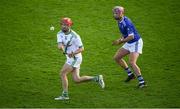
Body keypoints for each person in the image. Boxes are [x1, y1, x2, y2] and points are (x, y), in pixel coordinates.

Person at [55, 17, 105, 100]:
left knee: (62, 73)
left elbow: (82, 48)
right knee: (77, 79)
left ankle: (65, 95)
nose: (63, 26)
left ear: (70, 25)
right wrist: (63, 50)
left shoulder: (75, 36)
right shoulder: (59, 33)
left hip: (75, 58)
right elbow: (60, 45)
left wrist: (73, 53)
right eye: (62, 24)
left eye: (66, 25)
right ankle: (97, 78)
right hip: (70, 57)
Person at [112, 6, 146, 88]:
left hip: (136, 43)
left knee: (132, 62)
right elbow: (125, 34)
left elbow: (131, 37)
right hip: (129, 42)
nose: (114, 15)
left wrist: (120, 41)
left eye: (116, 13)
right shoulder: (119, 21)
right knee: (117, 58)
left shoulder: (127, 22)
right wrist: (120, 39)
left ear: (121, 13)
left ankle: (142, 82)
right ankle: (130, 75)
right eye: (114, 13)